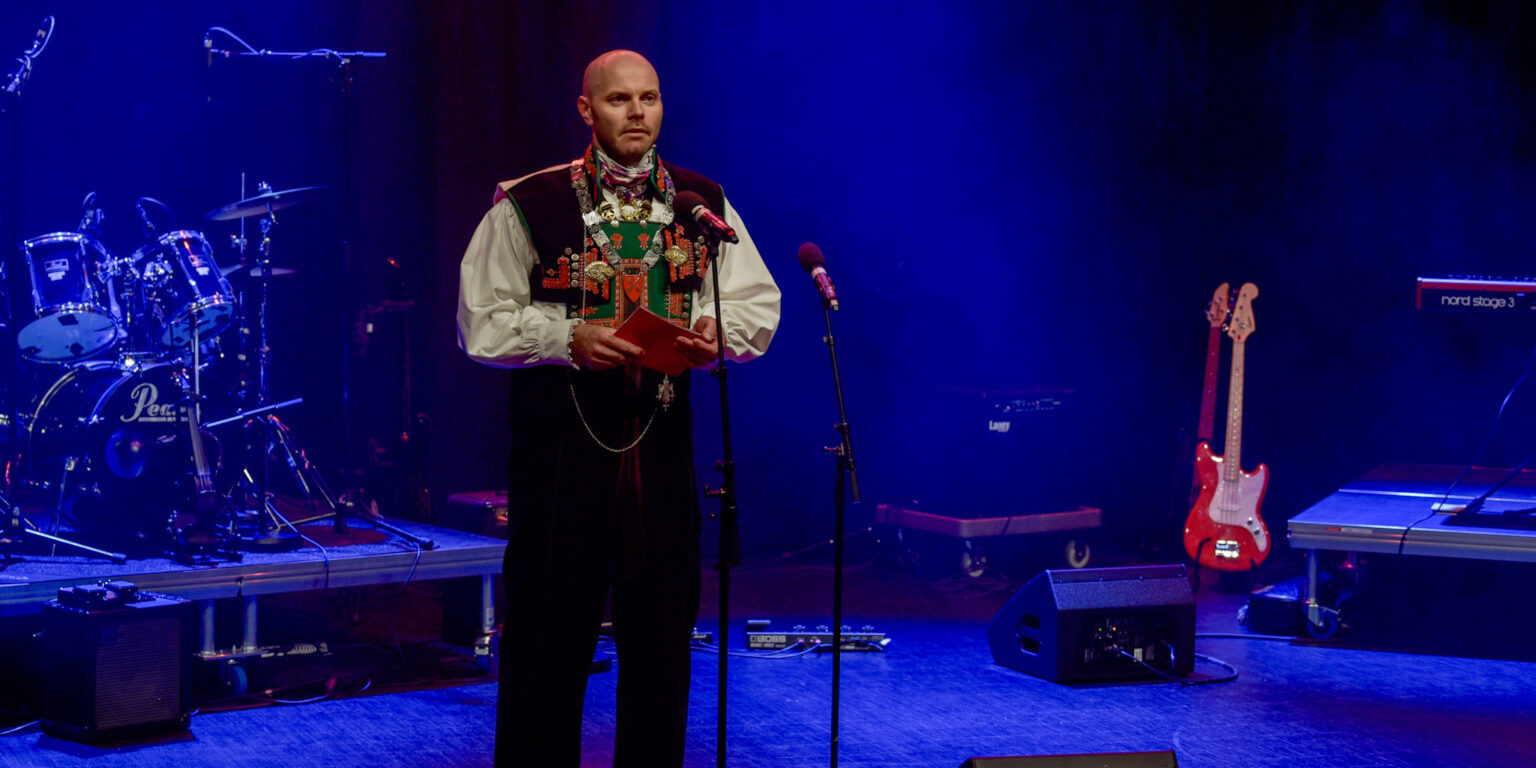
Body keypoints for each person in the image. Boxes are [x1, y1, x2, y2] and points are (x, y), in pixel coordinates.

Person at [456, 50, 780, 767]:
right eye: (619, 100)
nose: (637, 113)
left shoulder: (702, 204)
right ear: (586, 109)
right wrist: (564, 337)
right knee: (546, 647)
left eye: (649, 98)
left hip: (661, 453)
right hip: (560, 459)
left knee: (662, 648)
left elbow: (756, 301)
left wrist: (718, 331)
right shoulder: (530, 201)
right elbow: (480, 320)